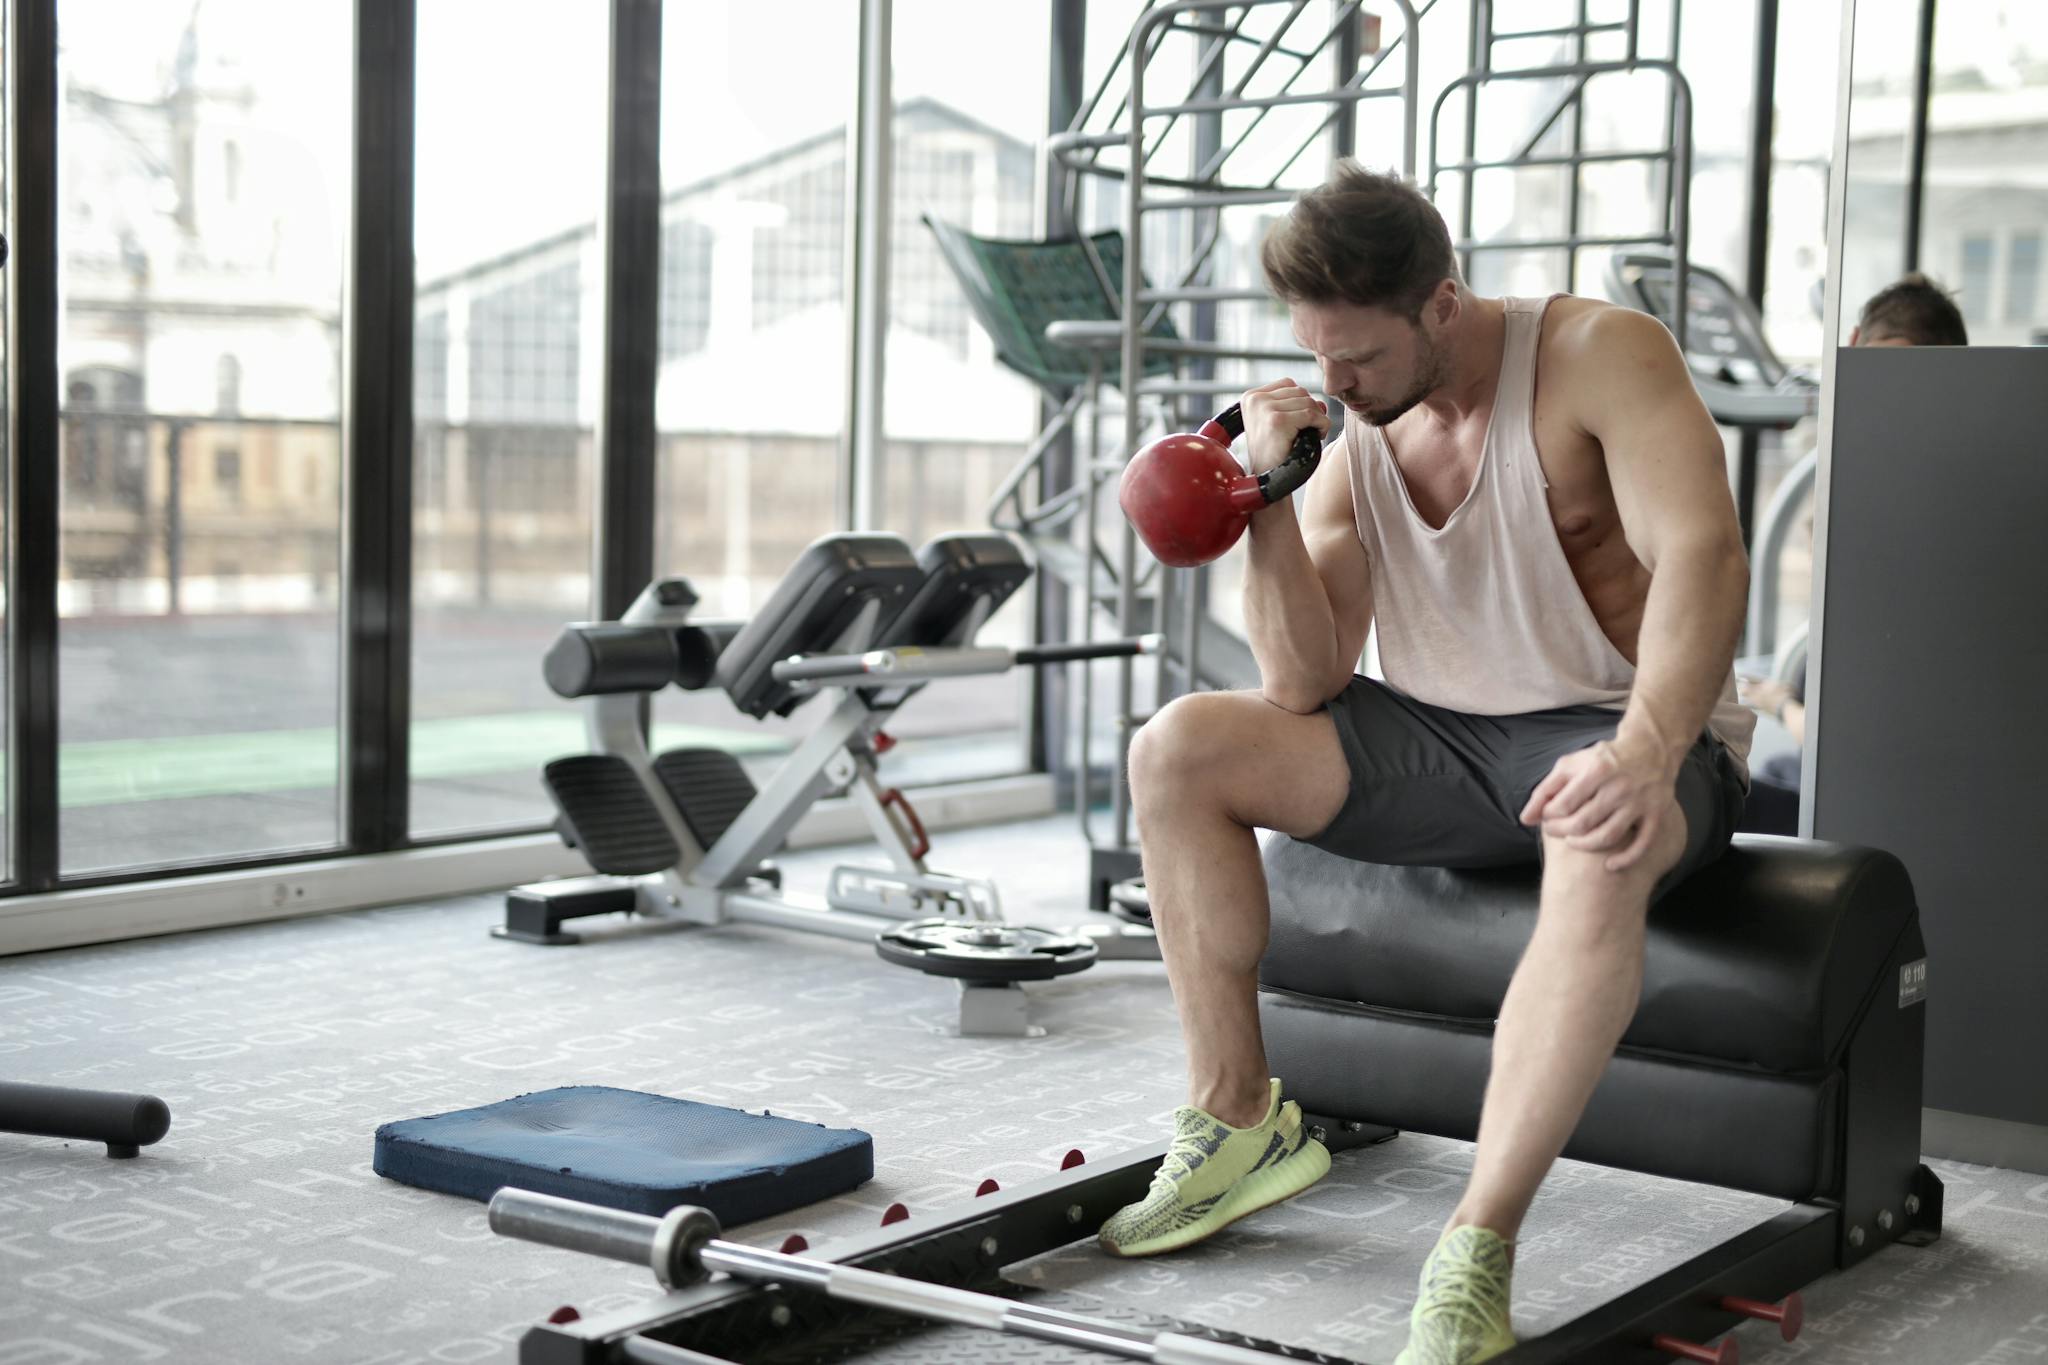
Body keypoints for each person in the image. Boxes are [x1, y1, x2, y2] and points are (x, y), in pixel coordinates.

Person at [1096, 161, 1756, 1365]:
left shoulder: (1600, 357)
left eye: (1358, 360)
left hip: (1628, 725)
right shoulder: (1357, 438)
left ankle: (1474, 1246)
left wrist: (1647, 750)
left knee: (1591, 831)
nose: (1332, 385)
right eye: (1315, 354)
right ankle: (1238, 1113)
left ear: (1441, 305)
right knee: (1179, 747)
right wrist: (1266, 497)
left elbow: (1705, 554)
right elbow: (1300, 681)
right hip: (1446, 745)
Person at [1738, 272, 1967, 834]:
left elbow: (1844, 744)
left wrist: (1779, 704)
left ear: (1862, 341)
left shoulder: (1911, 516)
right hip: (1880, 771)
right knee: (1765, 765)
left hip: (1875, 793)